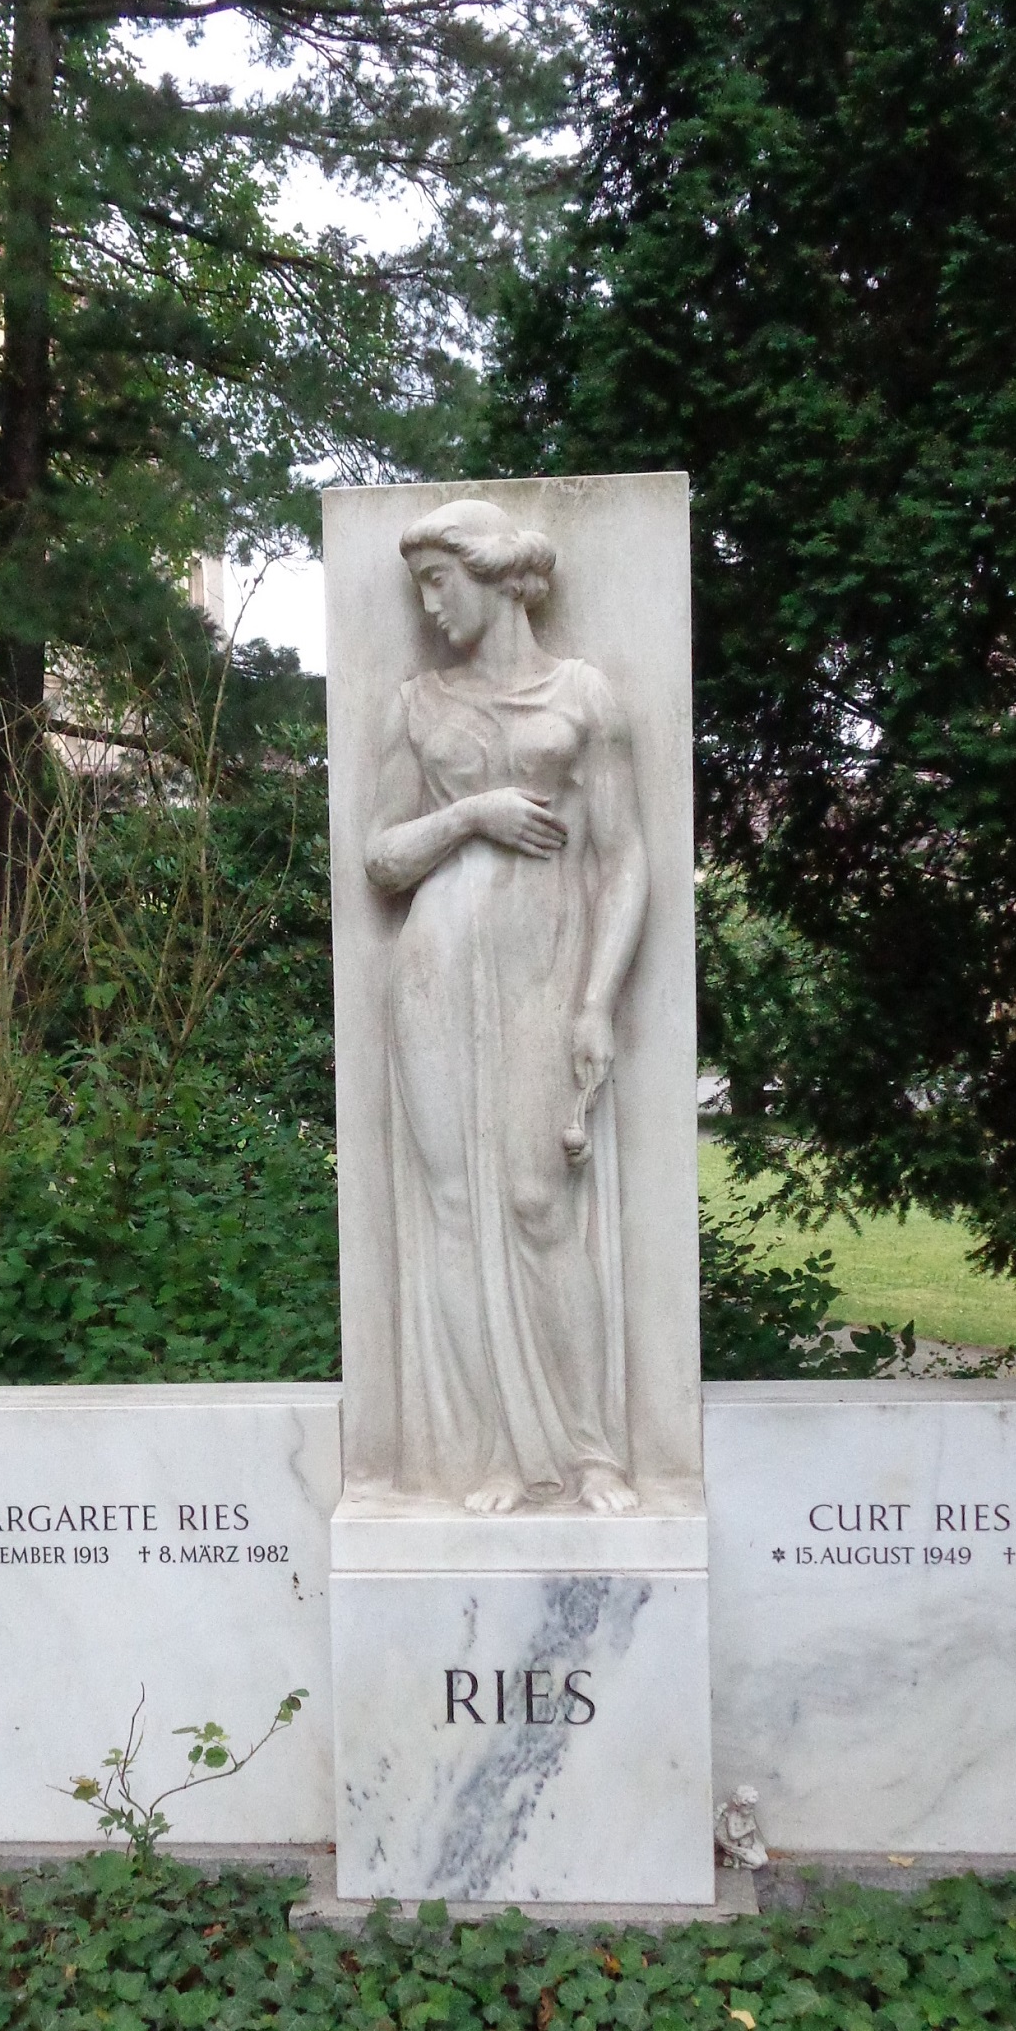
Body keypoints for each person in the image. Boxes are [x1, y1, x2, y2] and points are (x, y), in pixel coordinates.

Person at [365, 497, 649, 1511]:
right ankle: (494, 1451)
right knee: (452, 1209)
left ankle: (591, 1453)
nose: (429, 607)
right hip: (433, 972)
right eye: (419, 588)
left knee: (536, 1201)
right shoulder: (416, 706)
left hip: (543, 969)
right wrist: (472, 815)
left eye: (439, 582)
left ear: (491, 575)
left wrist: (597, 1003)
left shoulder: (583, 695)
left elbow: (624, 861)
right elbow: (382, 857)